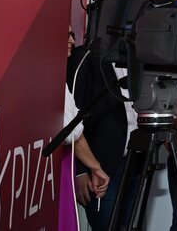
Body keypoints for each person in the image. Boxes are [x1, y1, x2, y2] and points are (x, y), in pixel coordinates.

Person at [68, 27, 130, 231]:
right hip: (100, 167)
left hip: (132, 164)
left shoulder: (137, 59)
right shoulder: (85, 57)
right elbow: (70, 118)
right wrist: (79, 171)